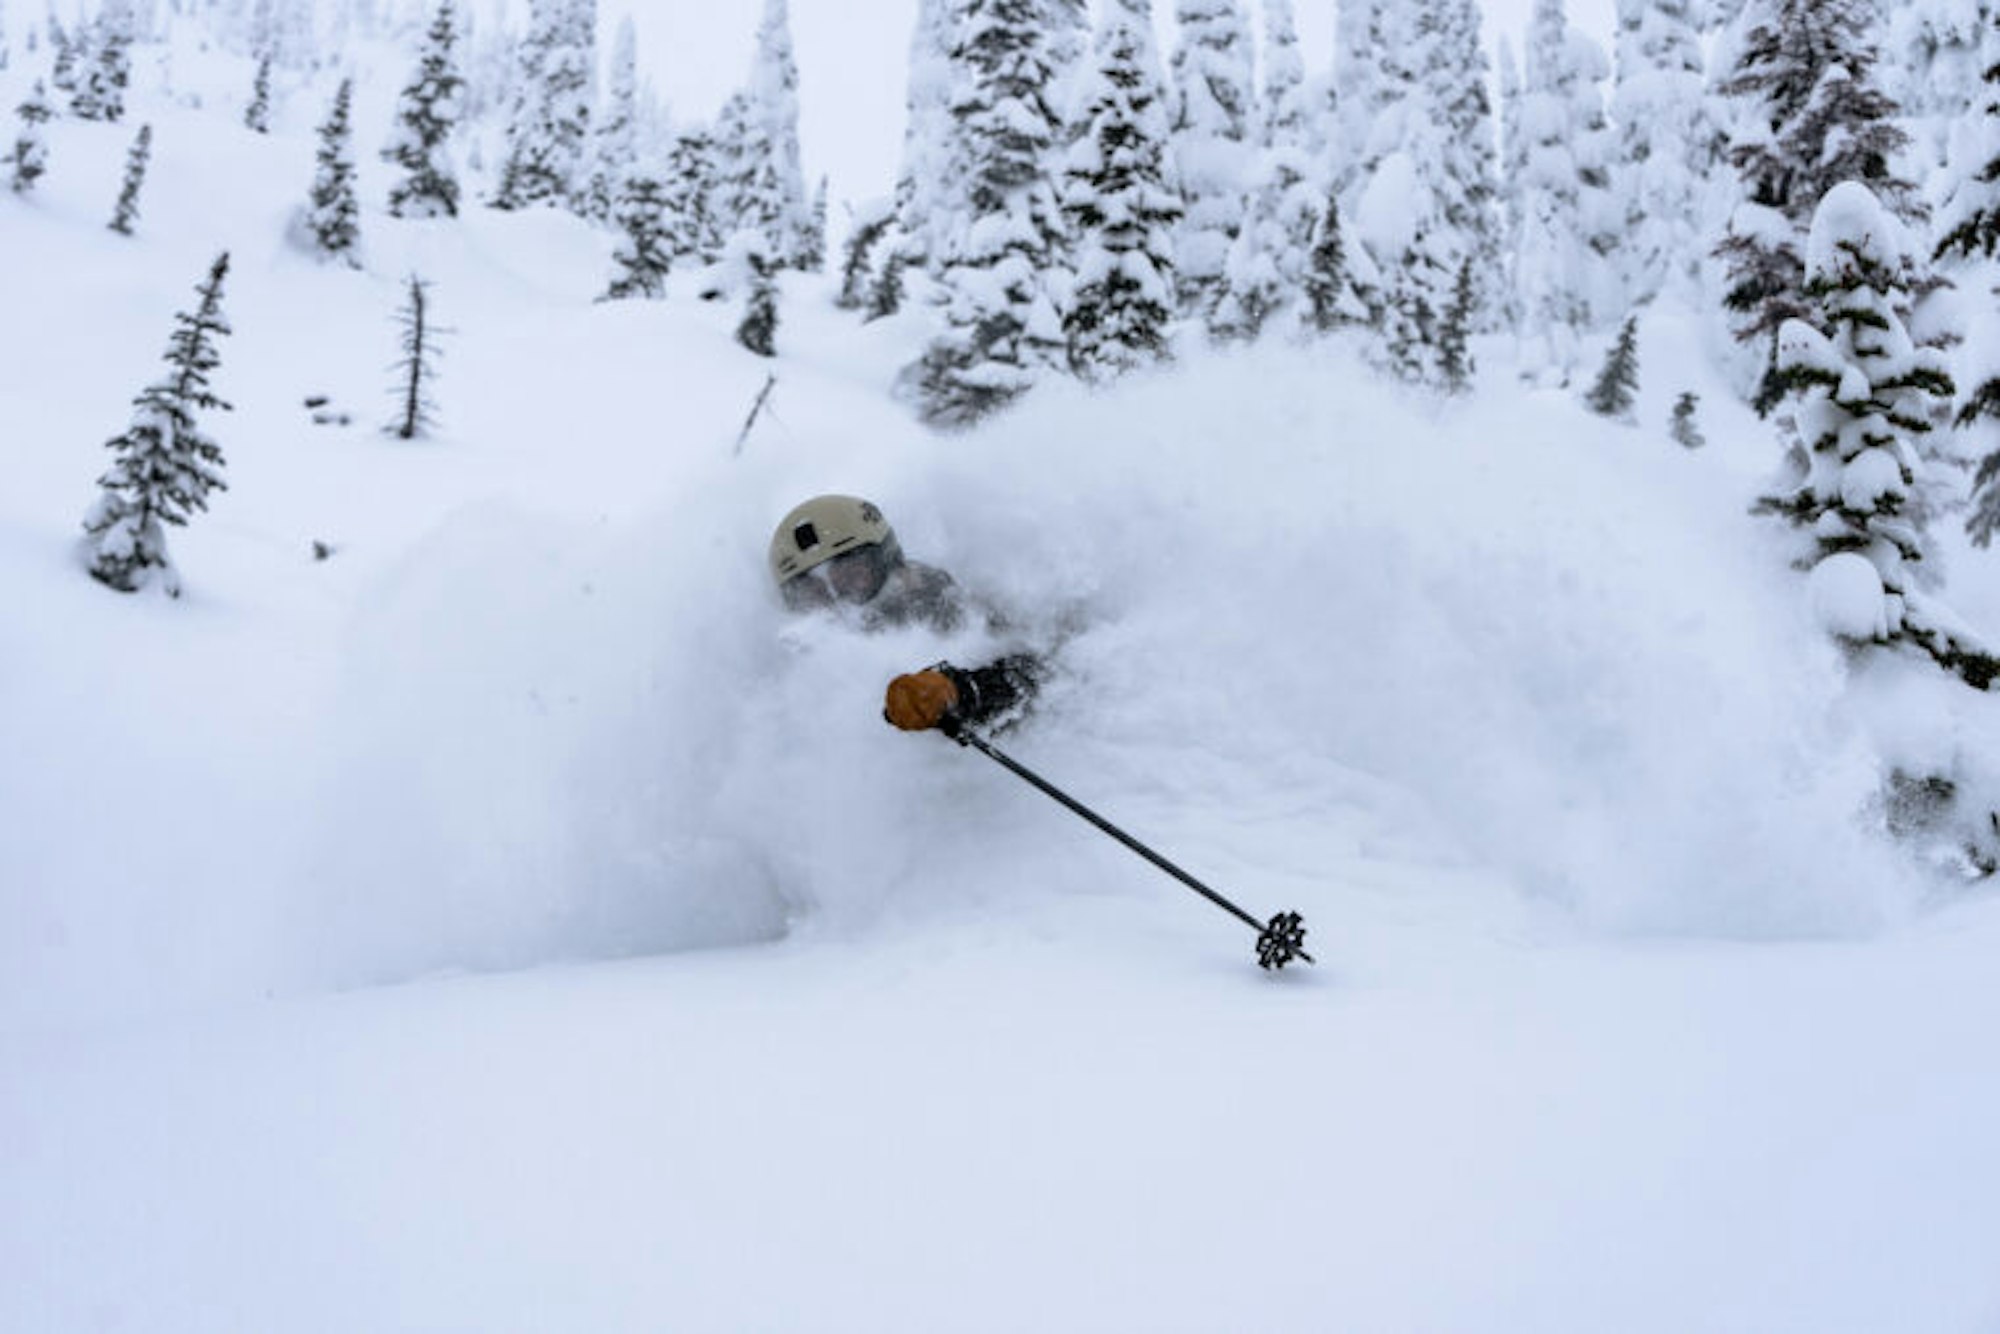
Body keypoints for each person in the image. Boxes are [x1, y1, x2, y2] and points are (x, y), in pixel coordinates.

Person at [768, 493, 1042, 736]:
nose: (840, 602)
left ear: (885, 558)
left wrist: (959, 691)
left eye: (851, 576)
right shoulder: (801, 651)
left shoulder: (941, 601)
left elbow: (1034, 676)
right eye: (814, 592)